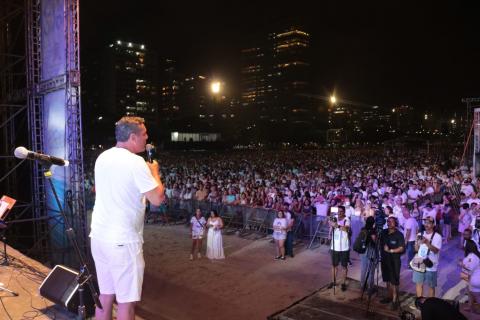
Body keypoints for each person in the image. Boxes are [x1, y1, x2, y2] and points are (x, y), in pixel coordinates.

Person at [90, 116, 165, 320]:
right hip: (123, 241)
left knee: (105, 295)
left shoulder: (102, 157)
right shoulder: (136, 162)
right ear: (133, 137)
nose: (147, 138)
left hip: (99, 236)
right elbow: (158, 198)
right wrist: (155, 172)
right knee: (126, 304)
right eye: (144, 134)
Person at [412, 216, 442, 298]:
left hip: (430, 264)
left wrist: (427, 243)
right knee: (419, 284)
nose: (426, 224)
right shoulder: (419, 234)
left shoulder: (437, 236)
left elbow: (436, 251)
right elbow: (416, 249)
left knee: (431, 286)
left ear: (433, 225)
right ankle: (419, 303)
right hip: (419, 262)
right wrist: (417, 244)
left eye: (429, 223)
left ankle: (431, 304)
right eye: (425, 222)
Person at [380, 216, 405, 310]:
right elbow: (378, 241)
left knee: (394, 281)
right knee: (387, 279)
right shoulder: (384, 232)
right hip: (384, 260)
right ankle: (389, 296)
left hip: (394, 261)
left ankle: (395, 300)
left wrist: (391, 250)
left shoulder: (399, 235)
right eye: (388, 221)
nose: (389, 223)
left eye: (391, 221)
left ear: (396, 223)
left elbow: (402, 248)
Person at [328, 205, 350, 291]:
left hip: (344, 247)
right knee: (334, 265)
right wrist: (329, 232)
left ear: (344, 212)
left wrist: (337, 225)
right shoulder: (334, 217)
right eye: (338, 211)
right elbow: (330, 225)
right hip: (334, 247)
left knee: (344, 266)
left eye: (341, 211)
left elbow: (346, 229)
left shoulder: (347, 220)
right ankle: (333, 281)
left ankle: (343, 282)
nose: (339, 213)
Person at [359, 216, 377, 293]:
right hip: (370, 251)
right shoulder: (373, 231)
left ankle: (362, 286)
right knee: (371, 269)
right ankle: (370, 287)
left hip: (363, 251)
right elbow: (374, 242)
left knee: (363, 269)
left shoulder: (363, 229)